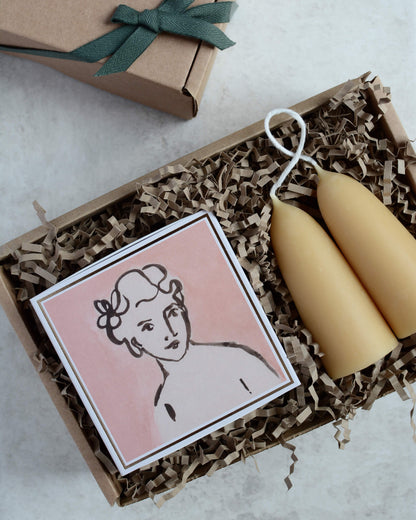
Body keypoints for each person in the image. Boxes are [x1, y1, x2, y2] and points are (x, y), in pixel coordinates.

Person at [94, 264, 281, 441]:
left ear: (183, 311)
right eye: (148, 327)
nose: (168, 332)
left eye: (171, 313)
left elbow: (278, 399)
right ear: (135, 343)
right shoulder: (166, 407)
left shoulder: (236, 358)